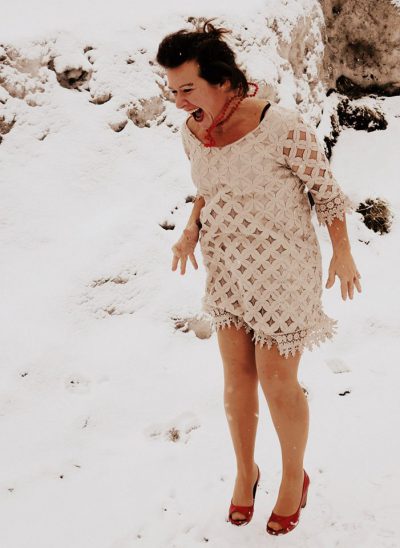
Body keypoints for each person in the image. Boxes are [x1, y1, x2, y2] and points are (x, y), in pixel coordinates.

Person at [156, 18, 362, 536]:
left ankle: (294, 477)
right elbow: (210, 189)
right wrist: (190, 230)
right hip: (227, 264)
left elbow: (327, 193)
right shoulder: (192, 132)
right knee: (237, 376)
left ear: (223, 81)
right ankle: (246, 472)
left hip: (283, 265)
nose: (179, 101)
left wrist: (342, 252)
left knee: (276, 379)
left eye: (187, 88)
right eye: (173, 89)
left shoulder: (282, 126)